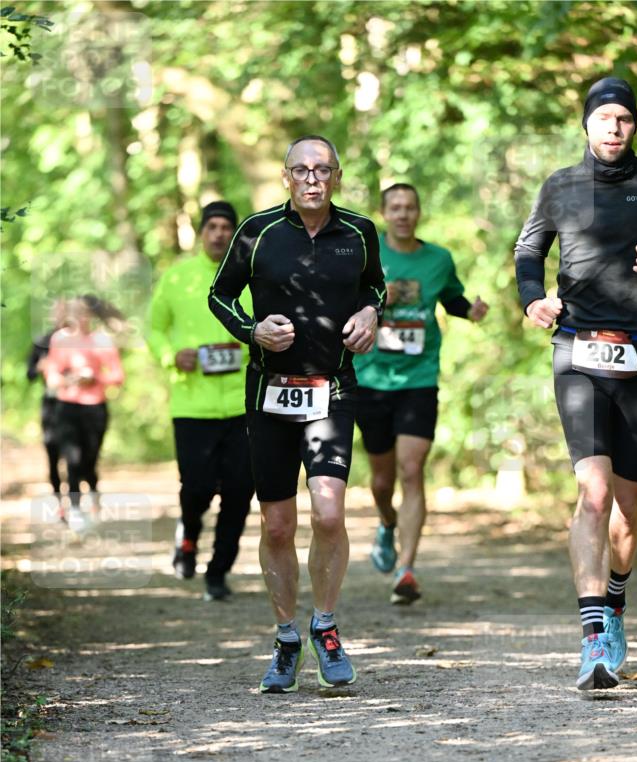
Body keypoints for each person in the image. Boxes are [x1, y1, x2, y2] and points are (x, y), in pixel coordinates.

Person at [209, 135, 385, 692]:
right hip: (269, 392)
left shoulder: (359, 232)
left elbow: (375, 286)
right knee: (278, 524)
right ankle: (286, 636)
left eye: (323, 170)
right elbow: (220, 297)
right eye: (302, 170)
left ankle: (325, 627)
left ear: (336, 176)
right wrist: (251, 330)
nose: (312, 179)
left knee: (329, 514)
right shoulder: (256, 233)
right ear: (286, 177)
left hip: (332, 389)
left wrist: (370, 313)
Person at [515, 77, 637, 690]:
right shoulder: (560, 186)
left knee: (629, 509)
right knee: (595, 492)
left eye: (623, 119)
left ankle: (618, 601)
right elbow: (529, 252)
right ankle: (593, 632)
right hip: (578, 351)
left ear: (635, 126)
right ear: (586, 125)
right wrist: (533, 302)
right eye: (603, 117)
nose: (613, 127)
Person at [355, 183, 488, 604]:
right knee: (381, 479)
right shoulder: (365, 253)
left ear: (419, 213)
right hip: (372, 378)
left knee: (412, 470)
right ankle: (386, 522)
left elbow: (451, 299)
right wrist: (377, 298)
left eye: (410, 207)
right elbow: (339, 301)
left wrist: (472, 311)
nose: (403, 214)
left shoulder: (438, 259)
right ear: (384, 212)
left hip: (419, 379)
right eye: (395, 208)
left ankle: (406, 569)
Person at [147, 201, 255, 601]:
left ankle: (218, 570)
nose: (219, 233)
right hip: (192, 405)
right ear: (201, 231)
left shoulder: (251, 278)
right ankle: (188, 534)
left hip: (242, 403)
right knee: (196, 487)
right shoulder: (176, 278)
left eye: (227, 226)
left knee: (240, 491)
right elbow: (155, 329)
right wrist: (170, 356)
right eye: (212, 226)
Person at [43, 295, 125, 533]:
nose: (80, 316)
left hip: (95, 407)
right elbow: (52, 374)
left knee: (89, 460)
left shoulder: (102, 340)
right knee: (72, 458)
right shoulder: (59, 340)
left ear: (91, 315)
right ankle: (76, 509)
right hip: (67, 406)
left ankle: (95, 493)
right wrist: (68, 379)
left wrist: (95, 377)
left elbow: (117, 376)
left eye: (84, 312)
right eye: (74, 312)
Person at [27, 306, 66, 520]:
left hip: (75, 404)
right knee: (52, 453)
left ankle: (76, 503)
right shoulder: (42, 341)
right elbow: (29, 373)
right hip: (51, 404)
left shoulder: (77, 341)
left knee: (74, 457)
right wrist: (41, 367)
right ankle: (59, 502)